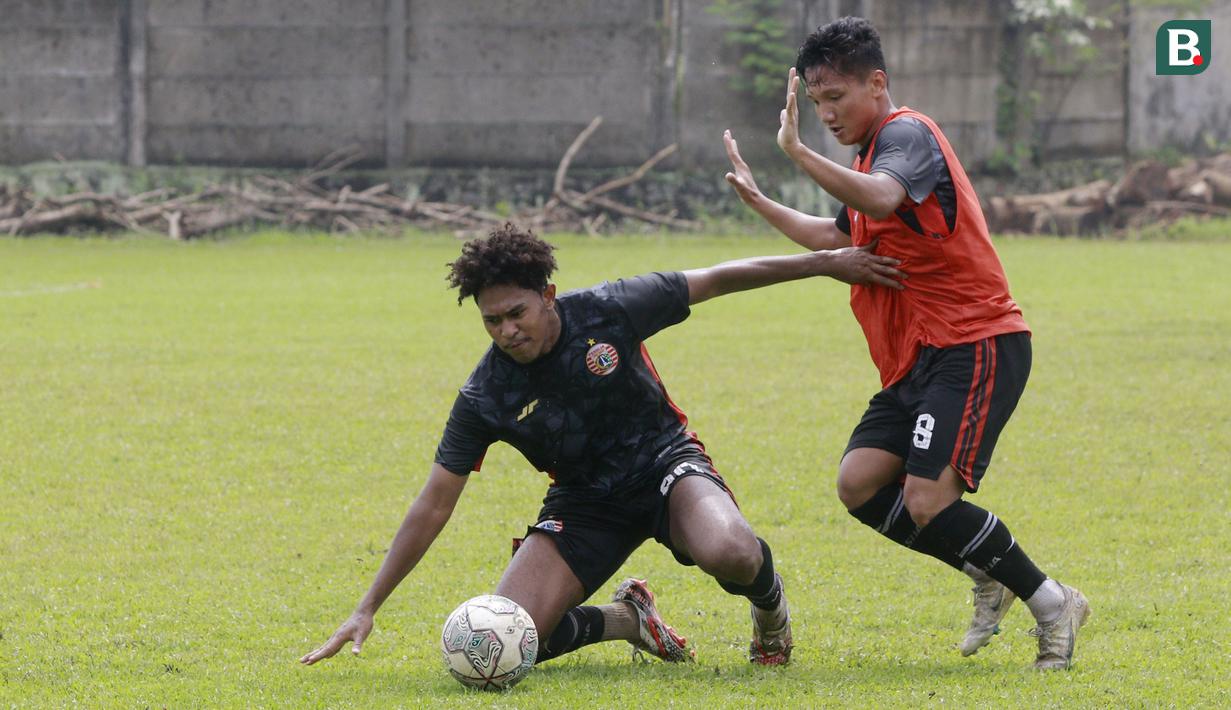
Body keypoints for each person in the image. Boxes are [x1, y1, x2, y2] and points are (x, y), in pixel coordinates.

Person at [300, 224, 906, 670]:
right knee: (506, 642)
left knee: (732, 552)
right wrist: (367, 604)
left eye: (516, 313)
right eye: (491, 321)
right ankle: (626, 619)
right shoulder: (485, 394)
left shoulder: (611, 308)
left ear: (549, 295)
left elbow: (719, 277)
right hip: (584, 503)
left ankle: (769, 610)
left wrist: (824, 262)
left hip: (667, 465)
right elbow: (434, 501)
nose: (507, 331)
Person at [722, 17, 1090, 670]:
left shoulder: (905, 136)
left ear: (876, 82)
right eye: (816, 104)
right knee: (860, 486)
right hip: (917, 357)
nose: (826, 113)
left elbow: (884, 200)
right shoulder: (869, 155)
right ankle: (989, 569)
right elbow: (836, 238)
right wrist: (760, 202)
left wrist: (799, 154)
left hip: (972, 341)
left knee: (926, 500)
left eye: (835, 97)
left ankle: (1050, 601)